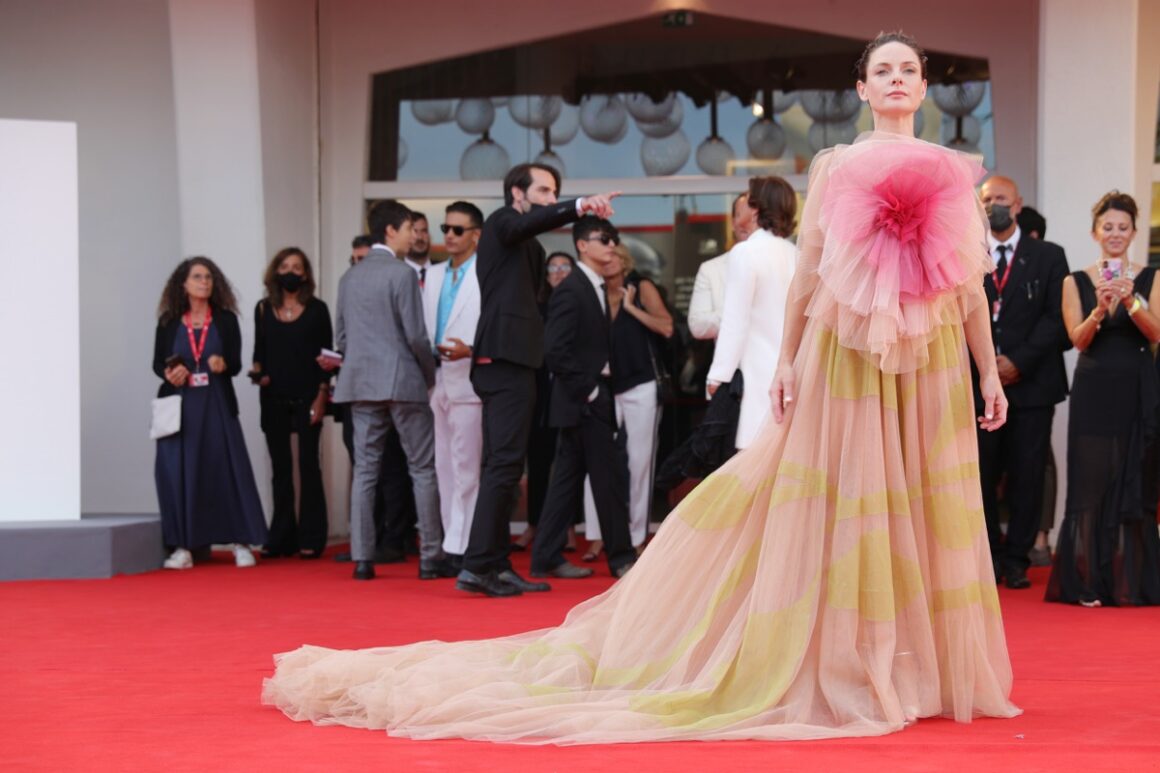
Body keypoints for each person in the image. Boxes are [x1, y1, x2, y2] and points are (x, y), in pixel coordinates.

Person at [264, 32, 1020, 741]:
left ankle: (908, 669)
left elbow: (964, 288)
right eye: (882, 70)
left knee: (920, 505)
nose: (895, 80)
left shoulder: (955, 170)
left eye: (908, 70)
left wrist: (987, 369)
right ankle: (847, 665)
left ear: (922, 86)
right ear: (861, 87)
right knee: (847, 504)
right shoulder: (836, 167)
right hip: (848, 362)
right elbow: (809, 277)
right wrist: (787, 361)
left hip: (926, 366)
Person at [458, 162, 619, 598]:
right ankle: (478, 566)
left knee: (508, 467)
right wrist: (580, 206)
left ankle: (493, 563)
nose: (551, 198)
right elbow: (526, 223)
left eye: (556, 192)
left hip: (522, 362)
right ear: (517, 192)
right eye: (544, 191)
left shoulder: (530, 249)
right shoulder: (500, 224)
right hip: (502, 360)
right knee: (503, 466)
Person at [1046, 191, 1160, 607]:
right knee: (1090, 483)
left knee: (1136, 478)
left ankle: (1133, 583)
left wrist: (1130, 302)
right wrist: (1099, 309)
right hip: (1094, 388)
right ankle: (1087, 582)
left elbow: (1156, 333)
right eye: (1108, 227)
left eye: (1123, 228)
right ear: (1095, 232)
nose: (1115, 234)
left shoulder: (1151, 277)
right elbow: (1077, 340)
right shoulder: (1074, 281)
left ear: (1132, 233)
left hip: (1138, 387)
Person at [333, 199, 454, 582]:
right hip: (402, 379)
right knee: (421, 468)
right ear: (390, 231)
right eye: (408, 229)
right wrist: (428, 372)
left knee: (365, 470)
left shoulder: (349, 277)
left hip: (360, 381)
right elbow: (416, 336)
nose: (412, 237)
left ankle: (362, 558)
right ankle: (431, 556)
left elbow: (341, 337)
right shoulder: (400, 274)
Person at [529, 216, 637, 581]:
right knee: (606, 480)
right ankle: (622, 558)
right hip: (584, 399)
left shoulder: (591, 286)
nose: (611, 244)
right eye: (603, 238)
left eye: (614, 238)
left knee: (566, 484)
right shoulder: (572, 289)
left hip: (586, 399)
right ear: (582, 245)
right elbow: (554, 350)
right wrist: (590, 391)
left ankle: (545, 555)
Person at [976, 175, 1070, 589]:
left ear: (1017, 205)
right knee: (982, 473)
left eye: (1000, 198)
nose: (993, 205)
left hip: (1031, 386)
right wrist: (988, 369)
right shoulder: (966, 255)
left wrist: (1017, 362)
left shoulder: (1048, 256)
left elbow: (1057, 319)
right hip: (980, 388)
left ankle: (1017, 560)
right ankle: (990, 556)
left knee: (1028, 474)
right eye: (986, 200)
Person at [153, 257, 267, 569]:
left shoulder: (226, 319)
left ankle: (241, 542)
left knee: (227, 468)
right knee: (180, 473)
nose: (205, 282)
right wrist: (169, 373)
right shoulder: (169, 321)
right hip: (180, 404)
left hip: (216, 402)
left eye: (209, 278)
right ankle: (183, 547)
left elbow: (235, 362)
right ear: (183, 284)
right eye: (198, 277)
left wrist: (223, 364)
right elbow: (157, 362)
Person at [582, 243, 674, 559]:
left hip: (640, 384)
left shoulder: (640, 285)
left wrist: (632, 308)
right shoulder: (591, 291)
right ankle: (596, 535)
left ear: (624, 261)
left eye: (615, 257)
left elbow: (666, 327)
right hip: (603, 387)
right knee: (596, 461)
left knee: (639, 462)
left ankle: (636, 535)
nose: (609, 262)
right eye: (605, 256)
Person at [250, 248, 333, 559]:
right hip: (272, 397)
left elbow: (327, 355)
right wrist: (258, 374)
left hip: (309, 395)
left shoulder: (317, 309)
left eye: (297, 267)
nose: (290, 272)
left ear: (306, 274)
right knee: (280, 469)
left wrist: (322, 395)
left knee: (309, 465)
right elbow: (258, 353)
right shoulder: (262, 309)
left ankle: (312, 537)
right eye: (285, 266)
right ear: (275, 272)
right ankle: (281, 537)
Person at [705, 176, 798, 450]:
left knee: (751, 464)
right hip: (795, 374)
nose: (741, 204)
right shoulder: (797, 254)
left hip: (757, 378)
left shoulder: (746, 253)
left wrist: (717, 377)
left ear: (757, 208)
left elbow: (735, 321)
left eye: (748, 199)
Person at [421, 202, 484, 567]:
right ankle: (451, 541)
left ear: (475, 235)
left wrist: (472, 351)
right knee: (443, 466)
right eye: (445, 227)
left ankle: (466, 546)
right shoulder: (433, 274)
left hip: (469, 379)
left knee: (467, 467)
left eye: (458, 229)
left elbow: (493, 327)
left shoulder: (486, 274)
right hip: (437, 379)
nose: (449, 235)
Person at [515, 250, 576, 552]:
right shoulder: (535, 306)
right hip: (539, 395)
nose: (559, 271)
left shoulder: (581, 303)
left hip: (571, 393)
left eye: (565, 266)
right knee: (538, 463)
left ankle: (568, 527)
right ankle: (533, 524)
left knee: (570, 463)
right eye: (553, 267)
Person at [687, 192, 757, 341]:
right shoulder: (710, 269)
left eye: (752, 217)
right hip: (731, 362)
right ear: (732, 223)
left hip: (776, 361)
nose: (745, 223)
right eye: (740, 215)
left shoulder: (786, 260)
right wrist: (739, 308)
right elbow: (697, 326)